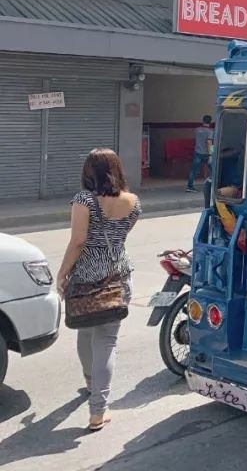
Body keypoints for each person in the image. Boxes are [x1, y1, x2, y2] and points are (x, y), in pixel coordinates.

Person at [56, 148, 141, 432]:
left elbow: (78, 240)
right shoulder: (133, 201)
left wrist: (62, 273)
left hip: (86, 277)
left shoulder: (84, 199)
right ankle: (98, 408)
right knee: (106, 341)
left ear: (88, 172)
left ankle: (93, 391)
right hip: (118, 276)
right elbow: (119, 238)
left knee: (86, 331)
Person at [186, 115, 214, 193]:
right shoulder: (210, 131)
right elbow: (210, 143)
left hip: (197, 152)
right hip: (206, 154)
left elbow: (195, 140)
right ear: (210, 122)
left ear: (203, 121)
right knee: (213, 169)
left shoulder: (197, 130)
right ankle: (214, 185)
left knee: (193, 170)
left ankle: (189, 186)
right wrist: (211, 155)